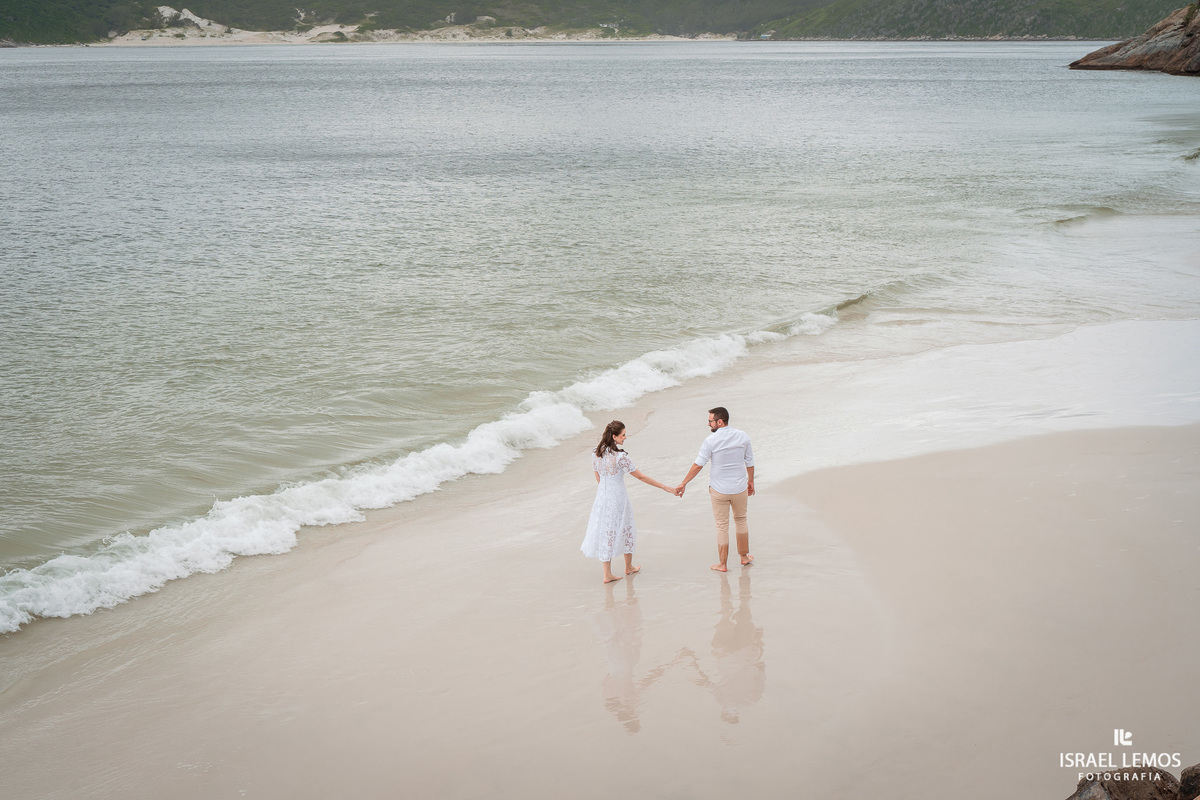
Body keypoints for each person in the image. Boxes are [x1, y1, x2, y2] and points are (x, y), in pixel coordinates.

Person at [582, 420, 676, 583]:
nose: (625, 437)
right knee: (626, 528)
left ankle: (608, 573)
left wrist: (605, 493)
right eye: (623, 435)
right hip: (618, 498)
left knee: (606, 531)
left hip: (602, 498)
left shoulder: (596, 454)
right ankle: (628, 567)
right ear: (614, 436)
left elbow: (598, 477)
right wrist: (665, 487)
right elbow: (641, 477)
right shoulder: (620, 457)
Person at [674, 406, 755, 572]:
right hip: (739, 487)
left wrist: (684, 483)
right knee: (741, 519)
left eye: (710, 421)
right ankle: (744, 556)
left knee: (722, 525)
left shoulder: (710, 440)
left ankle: (723, 564)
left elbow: (698, 465)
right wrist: (751, 481)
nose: (708, 424)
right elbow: (750, 461)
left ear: (720, 422)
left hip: (719, 490)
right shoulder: (743, 436)